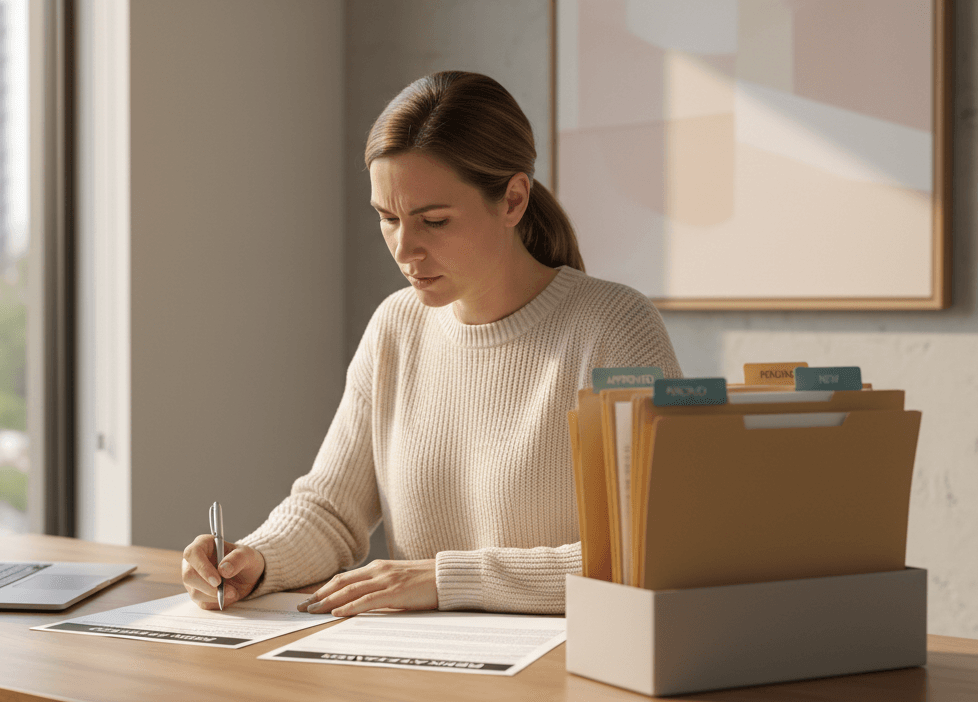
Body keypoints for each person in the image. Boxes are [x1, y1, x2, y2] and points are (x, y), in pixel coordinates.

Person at [182, 71, 681, 617]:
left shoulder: (616, 328)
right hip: (422, 658)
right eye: (387, 218)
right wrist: (256, 559)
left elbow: (654, 549)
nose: (404, 250)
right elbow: (330, 510)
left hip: (566, 659)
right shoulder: (395, 327)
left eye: (434, 221)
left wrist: (449, 579)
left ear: (513, 200)